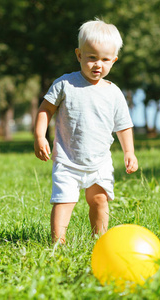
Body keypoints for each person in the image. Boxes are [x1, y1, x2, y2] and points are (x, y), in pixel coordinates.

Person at [34, 19, 138, 244]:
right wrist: (40, 136)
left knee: (100, 200)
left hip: (99, 162)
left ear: (114, 60)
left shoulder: (114, 93)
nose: (97, 64)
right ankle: (57, 244)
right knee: (64, 202)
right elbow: (45, 110)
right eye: (91, 57)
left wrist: (129, 152)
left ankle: (99, 240)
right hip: (67, 160)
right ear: (79, 55)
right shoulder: (65, 84)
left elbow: (123, 125)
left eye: (105, 59)